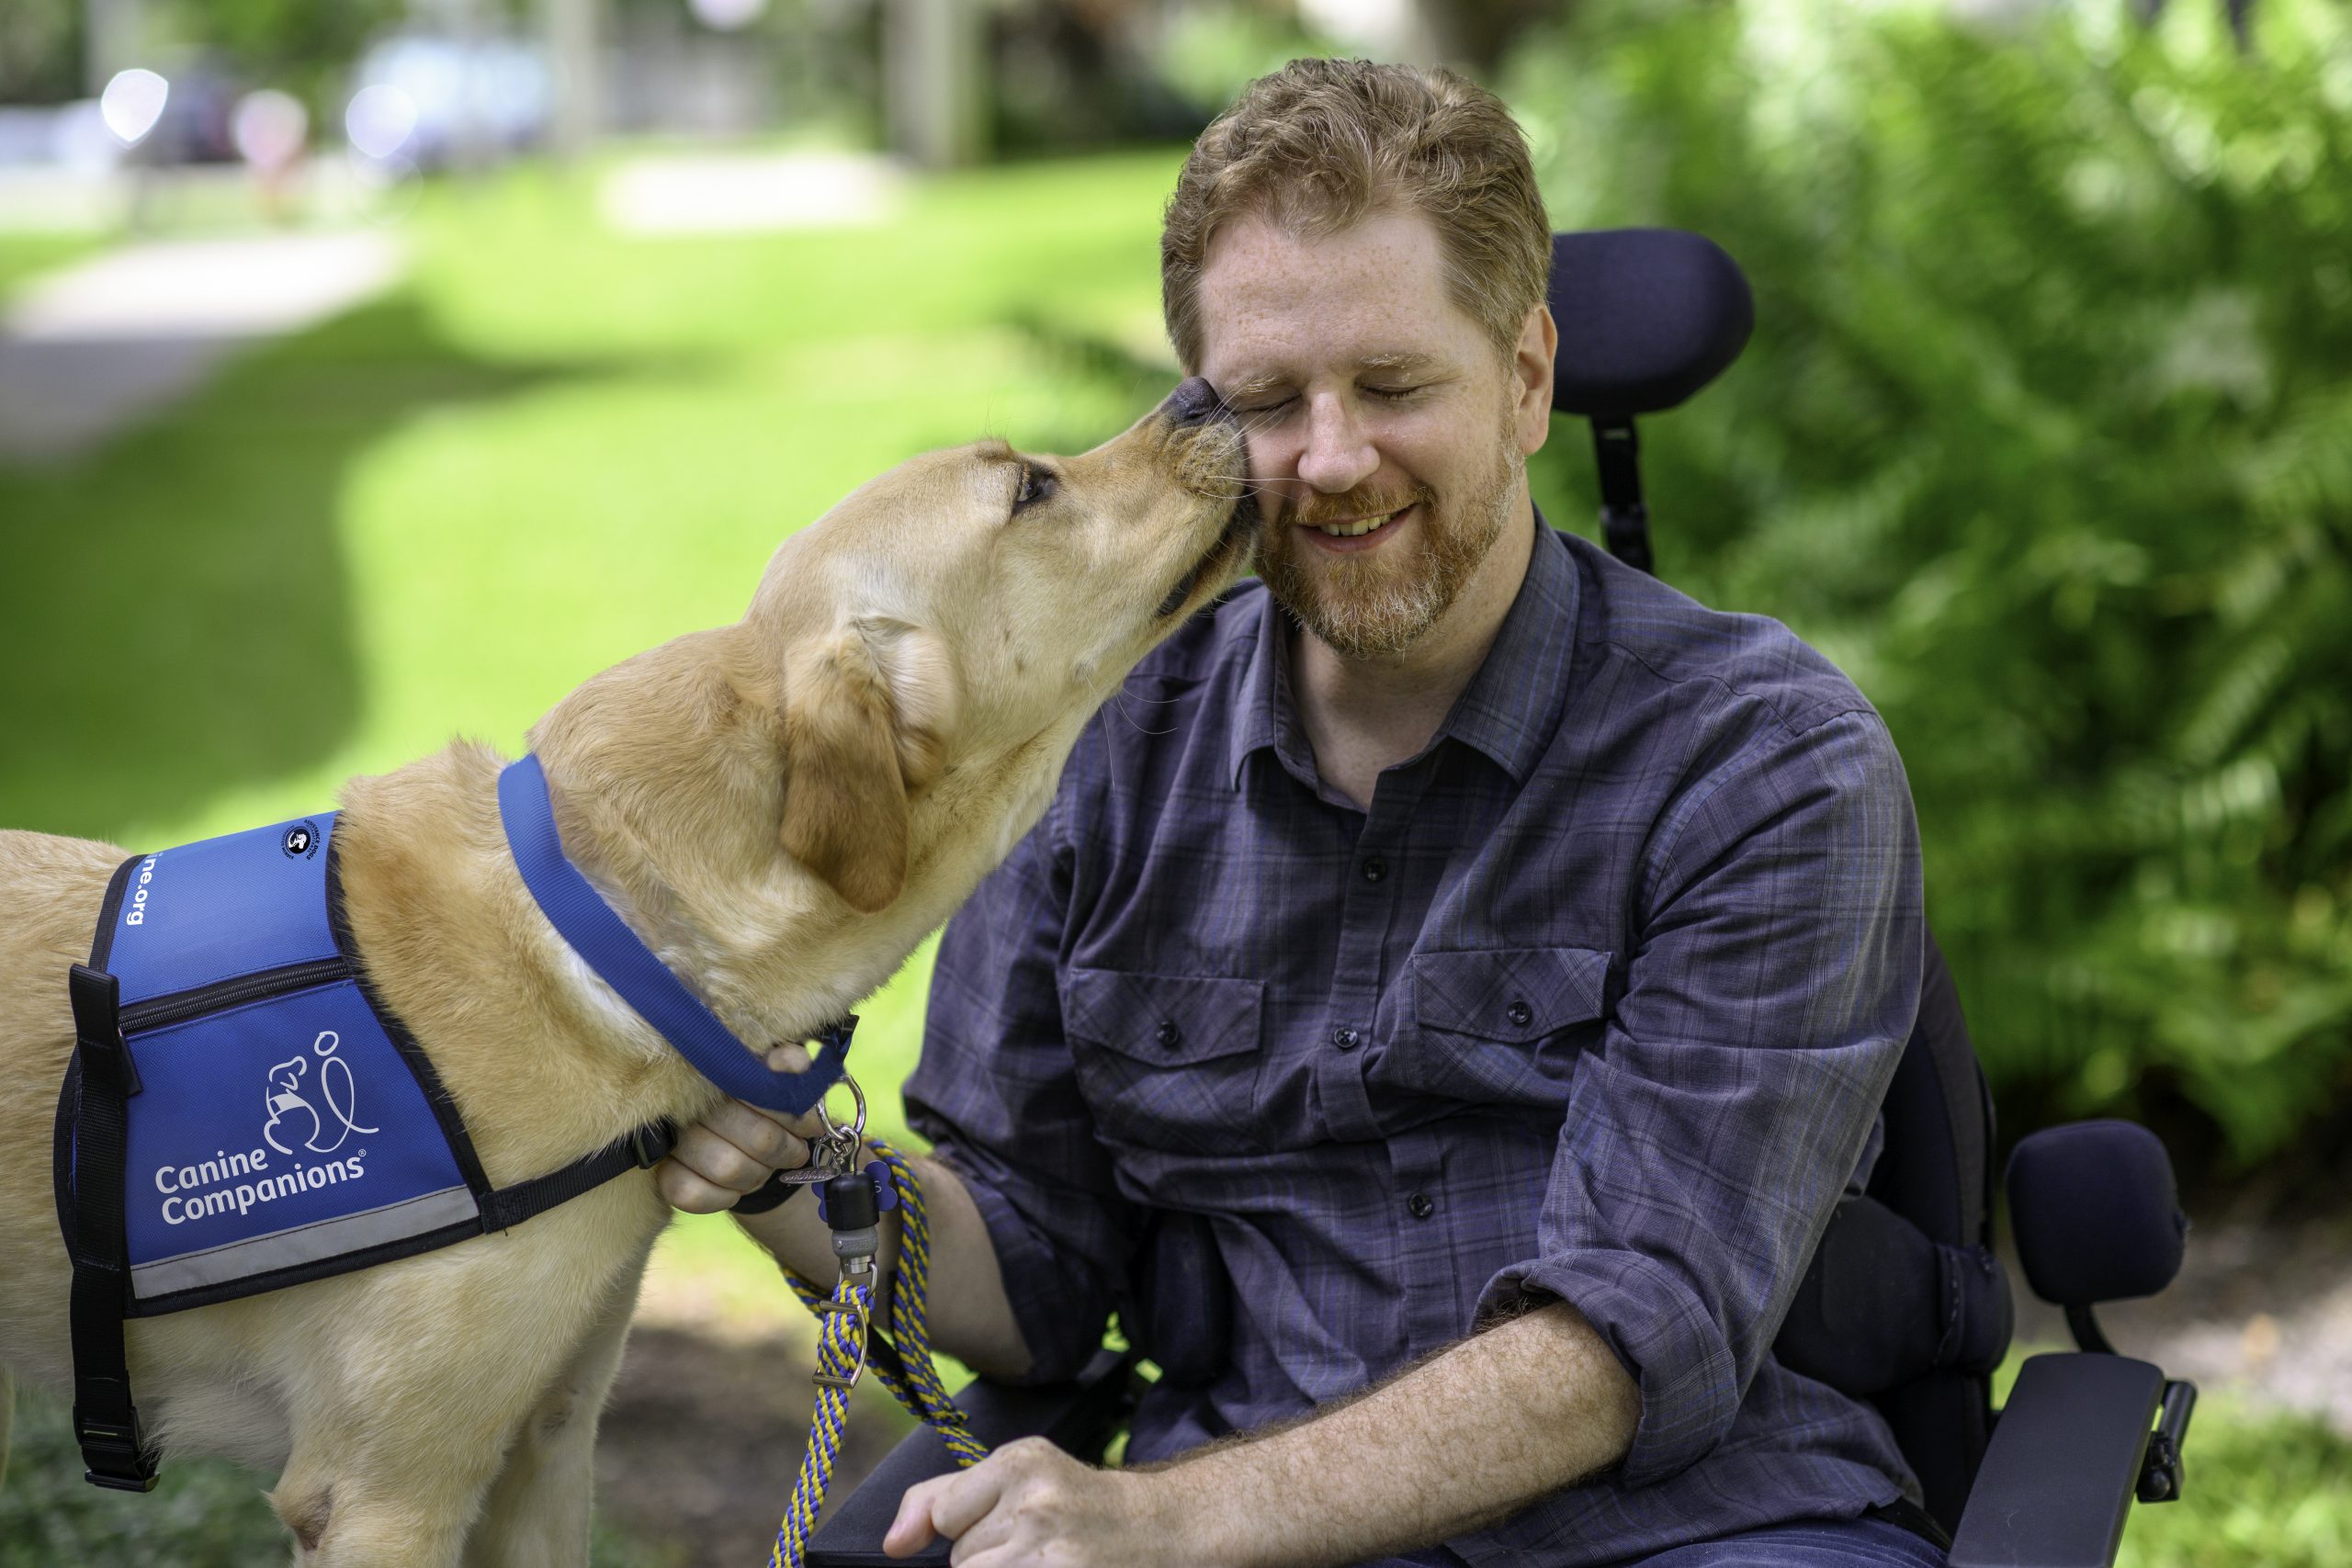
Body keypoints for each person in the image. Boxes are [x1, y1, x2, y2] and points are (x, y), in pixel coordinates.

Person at [659, 58, 1940, 1568]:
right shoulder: (1095, 752)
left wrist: (1170, 1520)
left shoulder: (1763, 762)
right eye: (1267, 400)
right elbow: (1041, 1266)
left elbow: (1624, 1340)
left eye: (1395, 387)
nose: (1330, 461)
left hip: (1695, 1533)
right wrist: (789, 1170)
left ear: (1527, 378)